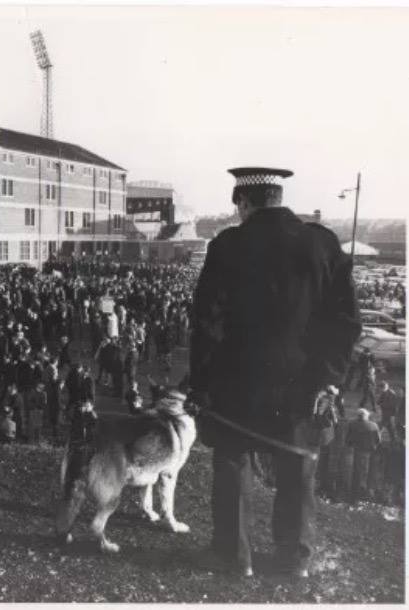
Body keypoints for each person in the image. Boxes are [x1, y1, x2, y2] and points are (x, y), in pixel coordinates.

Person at [188, 167, 361, 578]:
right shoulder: (322, 242)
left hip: (237, 383)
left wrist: (201, 382)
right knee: (297, 467)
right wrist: (328, 379)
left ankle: (233, 556)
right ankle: (294, 558)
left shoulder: (227, 245)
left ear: (243, 202)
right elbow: (346, 322)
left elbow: (207, 323)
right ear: (279, 197)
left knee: (233, 462)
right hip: (301, 384)